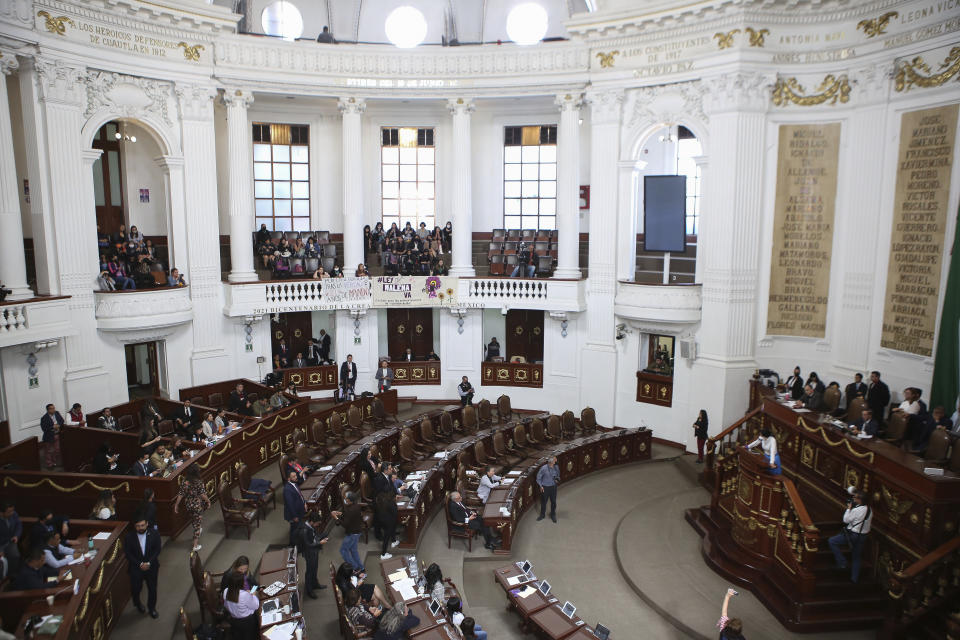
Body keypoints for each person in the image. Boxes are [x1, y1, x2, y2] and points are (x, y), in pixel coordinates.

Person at [828, 488, 872, 583]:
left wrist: (849, 509)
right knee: (856, 557)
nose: (854, 499)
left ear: (860, 500)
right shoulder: (870, 510)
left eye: (855, 498)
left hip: (853, 535)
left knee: (832, 541)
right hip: (863, 536)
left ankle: (842, 562)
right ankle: (854, 579)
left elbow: (846, 520)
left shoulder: (856, 510)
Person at [124, 511, 161, 618]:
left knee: (152, 588)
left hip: (152, 566)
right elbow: (128, 553)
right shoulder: (129, 537)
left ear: (147, 524)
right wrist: (140, 564)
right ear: (134, 526)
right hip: (136, 568)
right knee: (136, 588)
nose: (140, 528)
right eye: (138, 526)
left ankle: (152, 608)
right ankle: (138, 603)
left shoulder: (154, 534)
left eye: (142, 525)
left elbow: (157, 549)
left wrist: (149, 562)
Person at [173, 466, 210, 552]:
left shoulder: (184, 482)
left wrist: (176, 505)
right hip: (197, 506)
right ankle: (195, 545)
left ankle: (198, 530)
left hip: (188, 505)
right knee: (197, 525)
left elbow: (181, 495)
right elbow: (202, 495)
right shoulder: (198, 482)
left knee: (194, 520)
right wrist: (208, 501)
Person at [293, 511, 329, 598]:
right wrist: (320, 543)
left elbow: (313, 536)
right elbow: (308, 545)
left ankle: (315, 584)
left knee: (315, 568)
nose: (317, 525)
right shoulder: (304, 530)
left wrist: (319, 539)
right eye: (317, 523)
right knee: (310, 571)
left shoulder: (310, 526)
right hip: (309, 552)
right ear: (312, 521)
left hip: (314, 550)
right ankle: (309, 590)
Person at [222, 571, 259, 640]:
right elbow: (256, 606)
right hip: (248, 622)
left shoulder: (225, 591)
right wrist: (253, 595)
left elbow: (226, 606)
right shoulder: (244, 595)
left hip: (234, 621)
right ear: (240, 583)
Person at [335, 491, 365, 570]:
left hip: (352, 533)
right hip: (357, 531)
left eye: (346, 498)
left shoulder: (349, 510)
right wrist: (340, 513)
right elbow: (349, 516)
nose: (344, 499)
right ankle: (361, 568)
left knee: (343, 551)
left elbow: (345, 524)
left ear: (349, 500)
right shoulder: (356, 505)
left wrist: (336, 517)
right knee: (353, 550)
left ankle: (354, 567)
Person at [283, 470, 307, 546]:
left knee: (296, 528)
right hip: (293, 514)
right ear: (288, 479)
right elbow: (290, 505)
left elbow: (300, 495)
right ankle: (292, 546)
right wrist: (295, 516)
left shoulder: (294, 484)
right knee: (294, 530)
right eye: (293, 476)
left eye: (296, 475)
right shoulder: (287, 489)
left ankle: (296, 543)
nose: (296, 477)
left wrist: (304, 503)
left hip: (299, 511)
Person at [374, 489, 398, 560]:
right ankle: (383, 554)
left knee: (392, 529)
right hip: (388, 522)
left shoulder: (384, 499)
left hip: (382, 520)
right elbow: (395, 513)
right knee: (386, 538)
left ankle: (394, 541)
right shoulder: (391, 503)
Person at [536, 456, 561, 522]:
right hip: (545, 487)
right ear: (550, 462)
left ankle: (553, 514)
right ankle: (542, 515)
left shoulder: (556, 467)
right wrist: (541, 486)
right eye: (554, 461)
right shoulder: (543, 468)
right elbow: (538, 478)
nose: (555, 462)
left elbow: (558, 476)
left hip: (553, 487)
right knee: (544, 502)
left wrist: (557, 480)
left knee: (553, 502)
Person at [0, 501, 22, 575]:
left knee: (15, 556)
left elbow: (19, 525)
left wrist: (16, 535)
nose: (12, 513)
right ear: (1, 512)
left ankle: (11, 576)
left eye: (13, 510)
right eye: (9, 512)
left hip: (10, 541)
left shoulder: (14, 514)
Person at [40, 403, 64, 469]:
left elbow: (62, 421)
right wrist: (52, 427)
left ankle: (54, 462)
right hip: (49, 436)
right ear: (48, 410)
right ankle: (49, 464)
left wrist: (58, 425)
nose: (53, 410)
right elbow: (44, 428)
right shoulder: (44, 418)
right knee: (49, 451)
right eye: (52, 408)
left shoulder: (57, 413)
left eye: (54, 408)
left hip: (57, 435)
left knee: (57, 450)